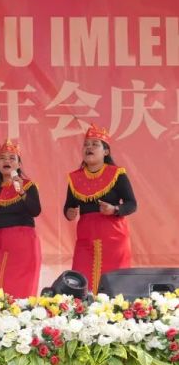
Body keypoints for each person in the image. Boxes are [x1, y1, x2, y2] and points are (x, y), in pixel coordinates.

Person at [63, 124, 137, 294]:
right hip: (85, 237)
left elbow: (132, 204)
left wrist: (114, 209)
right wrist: (69, 213)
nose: (89, 147)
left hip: (113, 236)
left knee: (113, 285)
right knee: (81, 281)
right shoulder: (75, 178)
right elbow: (69, 206)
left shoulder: (117, 173)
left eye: (95, 144)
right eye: (86, 144)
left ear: (106, 151)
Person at [0, 139, 41, 298]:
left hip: (23, 244)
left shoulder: (28, 186)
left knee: (19, 292)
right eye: (2, 158)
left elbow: (35, 211)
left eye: (12, 158)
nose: (6, 161)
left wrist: (21, 192)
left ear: (19, 164)